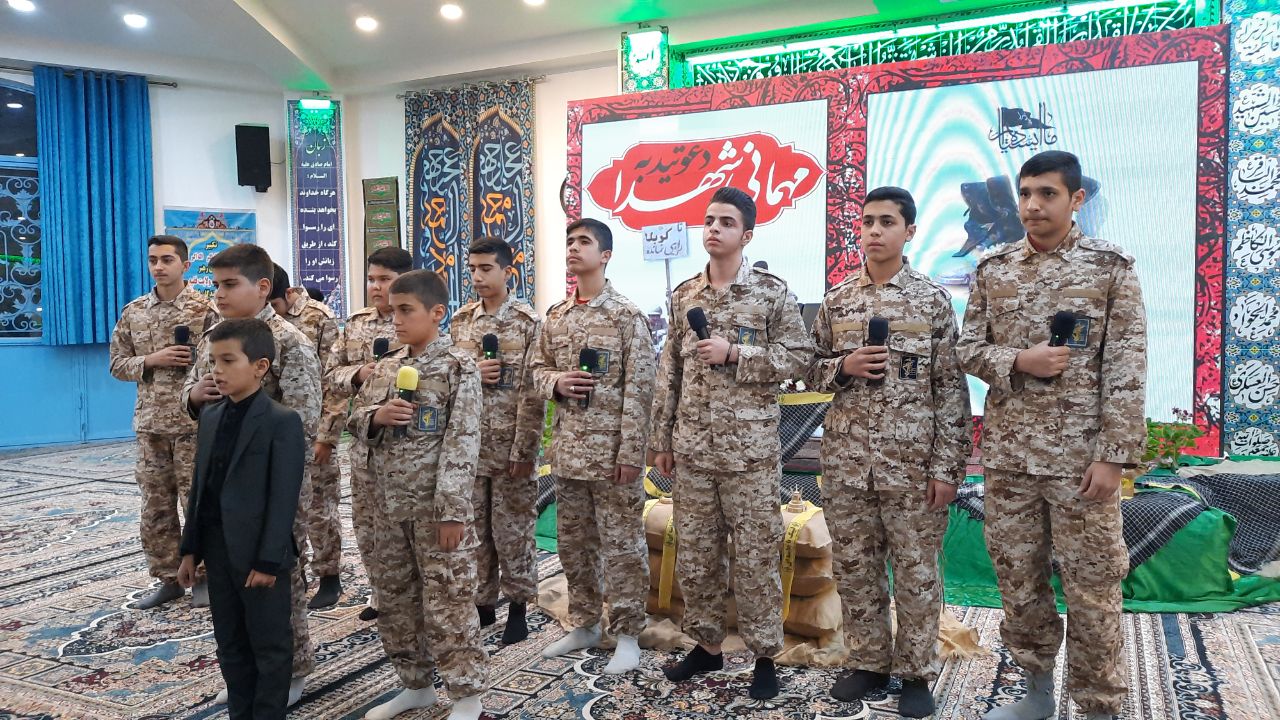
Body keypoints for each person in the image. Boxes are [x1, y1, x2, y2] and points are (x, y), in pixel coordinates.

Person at [957, 151, 1146, 720]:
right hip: (1011, 459)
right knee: (1019, 579)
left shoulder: (1109, 267)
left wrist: (1114, 456)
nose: (1032, 205)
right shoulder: (994, 269)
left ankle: (1099, 705)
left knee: (1092, 585)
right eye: (1025, 194)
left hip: (1081, 461)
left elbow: (1127, 366)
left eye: (1047, 193)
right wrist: (1020, 360)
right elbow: (967, 349)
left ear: (1076, 199)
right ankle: (1036, 692)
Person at [806, 187, 971, 717]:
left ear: (910, 231)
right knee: (856, 569)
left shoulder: (931, 301)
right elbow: (808, 370)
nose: (874, 231)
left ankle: (916, 672)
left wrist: (948, 467)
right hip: (848, 463)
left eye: (887, 222)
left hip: (912, 465)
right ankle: (869, 663)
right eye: (867, 222)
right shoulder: (837, 300)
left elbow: (951, 389)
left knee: (917, 573)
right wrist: (842, 367)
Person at [649, 186, 812, 699]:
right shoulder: (684, 296)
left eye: (726, 222)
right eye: (709, 220)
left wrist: (737, 353)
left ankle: (765, 656)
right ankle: (707, 647)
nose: (714, 229)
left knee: (756, 557)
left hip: (750, 456)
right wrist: (661, 438)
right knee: (697, 555)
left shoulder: (771, 293)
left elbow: (799, 357)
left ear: (747, 234)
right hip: (693, 451)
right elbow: (669, 371)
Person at [180, 244, 322, 707]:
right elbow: (194, 393)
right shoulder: (216, 336)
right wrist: (195, 397)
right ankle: (247, 676)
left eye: (229, 284)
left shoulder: (289, 341)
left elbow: (302, 421)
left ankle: (289, 669)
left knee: (278, 579)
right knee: (230, 591)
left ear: (262, 287)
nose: (218, 294)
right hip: (223, 476)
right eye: (215, 285)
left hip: (272, 482)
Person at [349, 269, 487, 720]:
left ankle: (466, 696)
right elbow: (355, 420)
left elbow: (463, 441)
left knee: (448, 601)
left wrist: (452, 512)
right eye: (393, 310)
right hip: (386, 506)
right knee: (395, 600)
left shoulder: (458, 367)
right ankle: (416, 685)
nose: (396, 319)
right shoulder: (388, 364)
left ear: (437, 313)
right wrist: (377, 416)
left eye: (406, 310)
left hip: (434, 508)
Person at [530, 218, 656, 674]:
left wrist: (631, 455)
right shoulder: (556, 317)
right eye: (569, 241)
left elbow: (641, 391)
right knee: (574, 545)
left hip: (612, 458)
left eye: (584, 242)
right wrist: (556, 382)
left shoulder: (626, 316)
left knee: (622, 548)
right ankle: (584, 623)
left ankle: (628, 634)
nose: (573, 248)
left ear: (605, 255)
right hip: (569, 455)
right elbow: (535, 371)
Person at [109, 235, 217, 609]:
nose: (158, 266)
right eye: (153, 259)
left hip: (193, 425)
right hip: (151, 426)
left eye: (167, 259)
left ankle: (203, 576)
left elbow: (222, 361)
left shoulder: (206, 311)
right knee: (155, 506)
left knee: (198, 503)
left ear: (185, 265)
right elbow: (116, 365)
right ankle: (168, 579)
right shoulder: (134, 311)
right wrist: (151, 360)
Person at [449, 237, 544, 644]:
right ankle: (483, 603)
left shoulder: (527, 322)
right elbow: (449, 376)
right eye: (472, 269)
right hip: (470, 447)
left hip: (509, 447)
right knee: (475, 530)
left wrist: (525, 449)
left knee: (513, 530)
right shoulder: (461, 321)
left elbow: (533, 392)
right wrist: (472, 371)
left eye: (486, 268)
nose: (477, 276)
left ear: (508, 272)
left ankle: (518, 608)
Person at [325, 246, 413, 622]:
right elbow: (331, 374)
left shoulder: (418, 319)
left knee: (405, 526)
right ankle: (379, 593)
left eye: (385, 279)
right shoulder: (357, 324)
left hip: (407, 446)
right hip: (364, 445)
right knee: (366, 524)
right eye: (371, 279)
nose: (376, 287)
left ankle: (411, 597)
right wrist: (358, 374)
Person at [270, 265, 345, 609]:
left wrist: (326, 436)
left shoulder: (318, 318)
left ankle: (329, 575)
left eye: (275, 305)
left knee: (320, 508)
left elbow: (333, 382)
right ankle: (292, 574)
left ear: (287, 294)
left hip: (314, 431)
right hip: (276, 434)